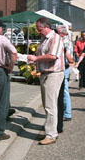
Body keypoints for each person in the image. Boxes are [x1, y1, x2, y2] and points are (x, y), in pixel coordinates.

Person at [27, 17, 64, 145]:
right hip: (46, 74)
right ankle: (50, 130)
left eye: (40, 29)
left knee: (50, 105)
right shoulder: (45, 39)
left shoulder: (55, 38)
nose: (38, 31)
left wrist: (36, 58)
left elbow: (53, 56)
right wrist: (35, 60)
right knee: (47, 104)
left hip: (53, 74)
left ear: (47, 27)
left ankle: (51, 134)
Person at [56, 25, 73, 121]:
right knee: (64, 89)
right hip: (65, 66)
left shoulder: (64, 41)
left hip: (64, 67)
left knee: (64, 90)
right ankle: (65, 112)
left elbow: (67, 56)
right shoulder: (67, 40)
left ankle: (67, 113)